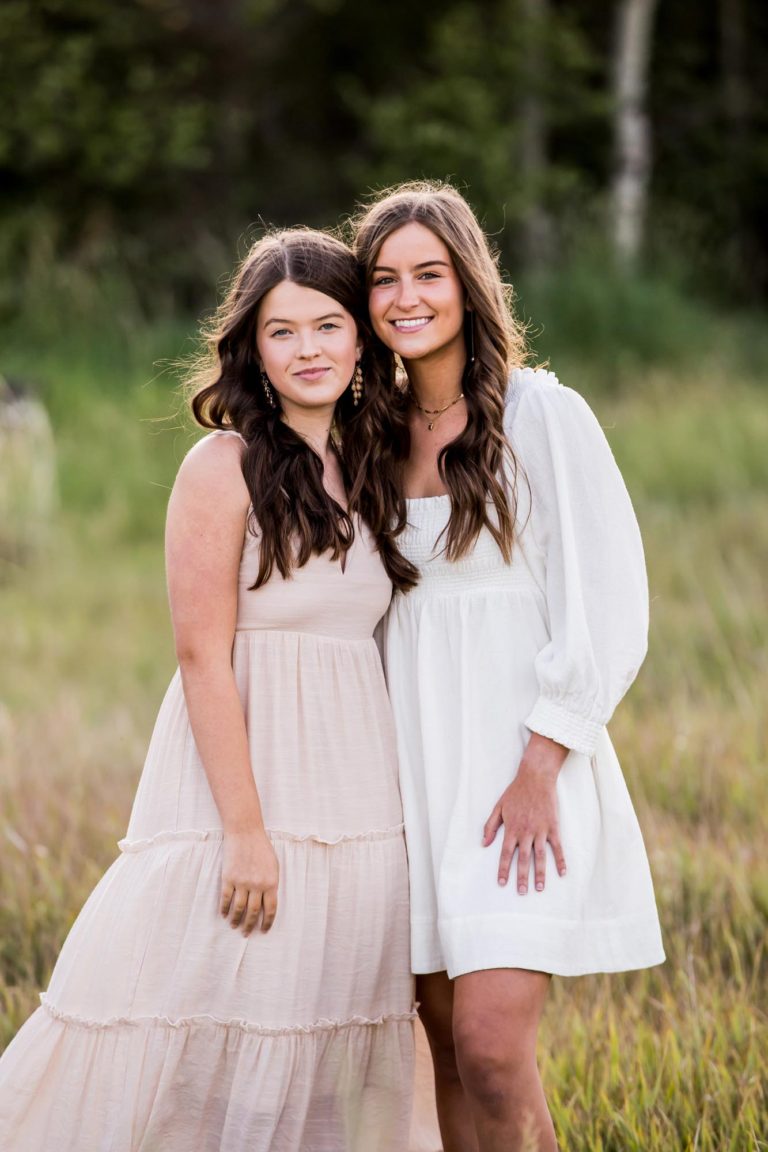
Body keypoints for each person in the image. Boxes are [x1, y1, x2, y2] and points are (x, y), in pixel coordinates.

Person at [0, 229, 418, 1151]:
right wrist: (244, 832)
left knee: (320, 1034)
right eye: (282, 331)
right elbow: (201, 656)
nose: (309, 348)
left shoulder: (374, 467)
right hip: (245, 792)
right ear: (252, 350)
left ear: (361, 342)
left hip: (356, 804)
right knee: (204, 1022)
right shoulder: (221, 467)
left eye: (328, 325)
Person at [352, 181, 665, 1152]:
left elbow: (610, 604)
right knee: (440, 1048)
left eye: (429, 274)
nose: (407, 297)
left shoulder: (542, 414)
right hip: (410, 782)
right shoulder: (368, 436)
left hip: (519, 775)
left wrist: (541, 766)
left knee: (490, 1046)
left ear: (468, 283)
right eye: (384, 279)